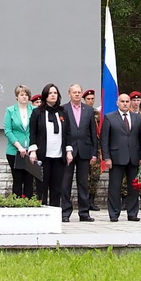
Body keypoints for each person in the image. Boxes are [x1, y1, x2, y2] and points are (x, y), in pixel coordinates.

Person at [100, 93, 141, 221]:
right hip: (116, 158)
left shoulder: (137, 118)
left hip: (134, 157)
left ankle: (132, 213)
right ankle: (114, 213)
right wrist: (106, 158)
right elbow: (104, 140)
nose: (125, 104)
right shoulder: (109, 118)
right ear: (117, 103)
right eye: (122, 101)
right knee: (115, 187)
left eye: (127, 101)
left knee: (133, 187)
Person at [61, 84, 98, 222]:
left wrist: (94, 152)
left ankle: (84, 212)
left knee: (83, 183)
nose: (77, 94)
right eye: (74, 92)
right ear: (69, 94)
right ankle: (65, 212)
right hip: (68, 152)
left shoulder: (88, 110)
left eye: (79, 92)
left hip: (84, 150)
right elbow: (62, 133)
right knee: (66, 183)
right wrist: (64, 150)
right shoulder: (63, 109)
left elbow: (93, 132)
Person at [29, 84, 68, 207]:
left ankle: (55, 211)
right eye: (50, 93)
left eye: (55, 93)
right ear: (45, 96)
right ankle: (43, 210)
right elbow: (33, 133)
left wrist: (69, 150)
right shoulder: (37, 112)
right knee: (42, 186)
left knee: (57, 187)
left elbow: (68, 132)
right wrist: (33, 150)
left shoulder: (62, 112)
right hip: (43, 154)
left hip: (59, 155)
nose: (53, 95)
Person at [3, 85, 35, 198]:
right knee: (17, 178)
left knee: (29, 179)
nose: (24, 97)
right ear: (17, 97)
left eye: (26, 95)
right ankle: (16, 204)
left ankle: (29, 204)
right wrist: (19, 147)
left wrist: (32, 149)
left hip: (31, 151)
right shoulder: (10, 110)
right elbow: (8, 130)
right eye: (22, 95)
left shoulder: (34, 110)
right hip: (14, 151)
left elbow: (37, 130)